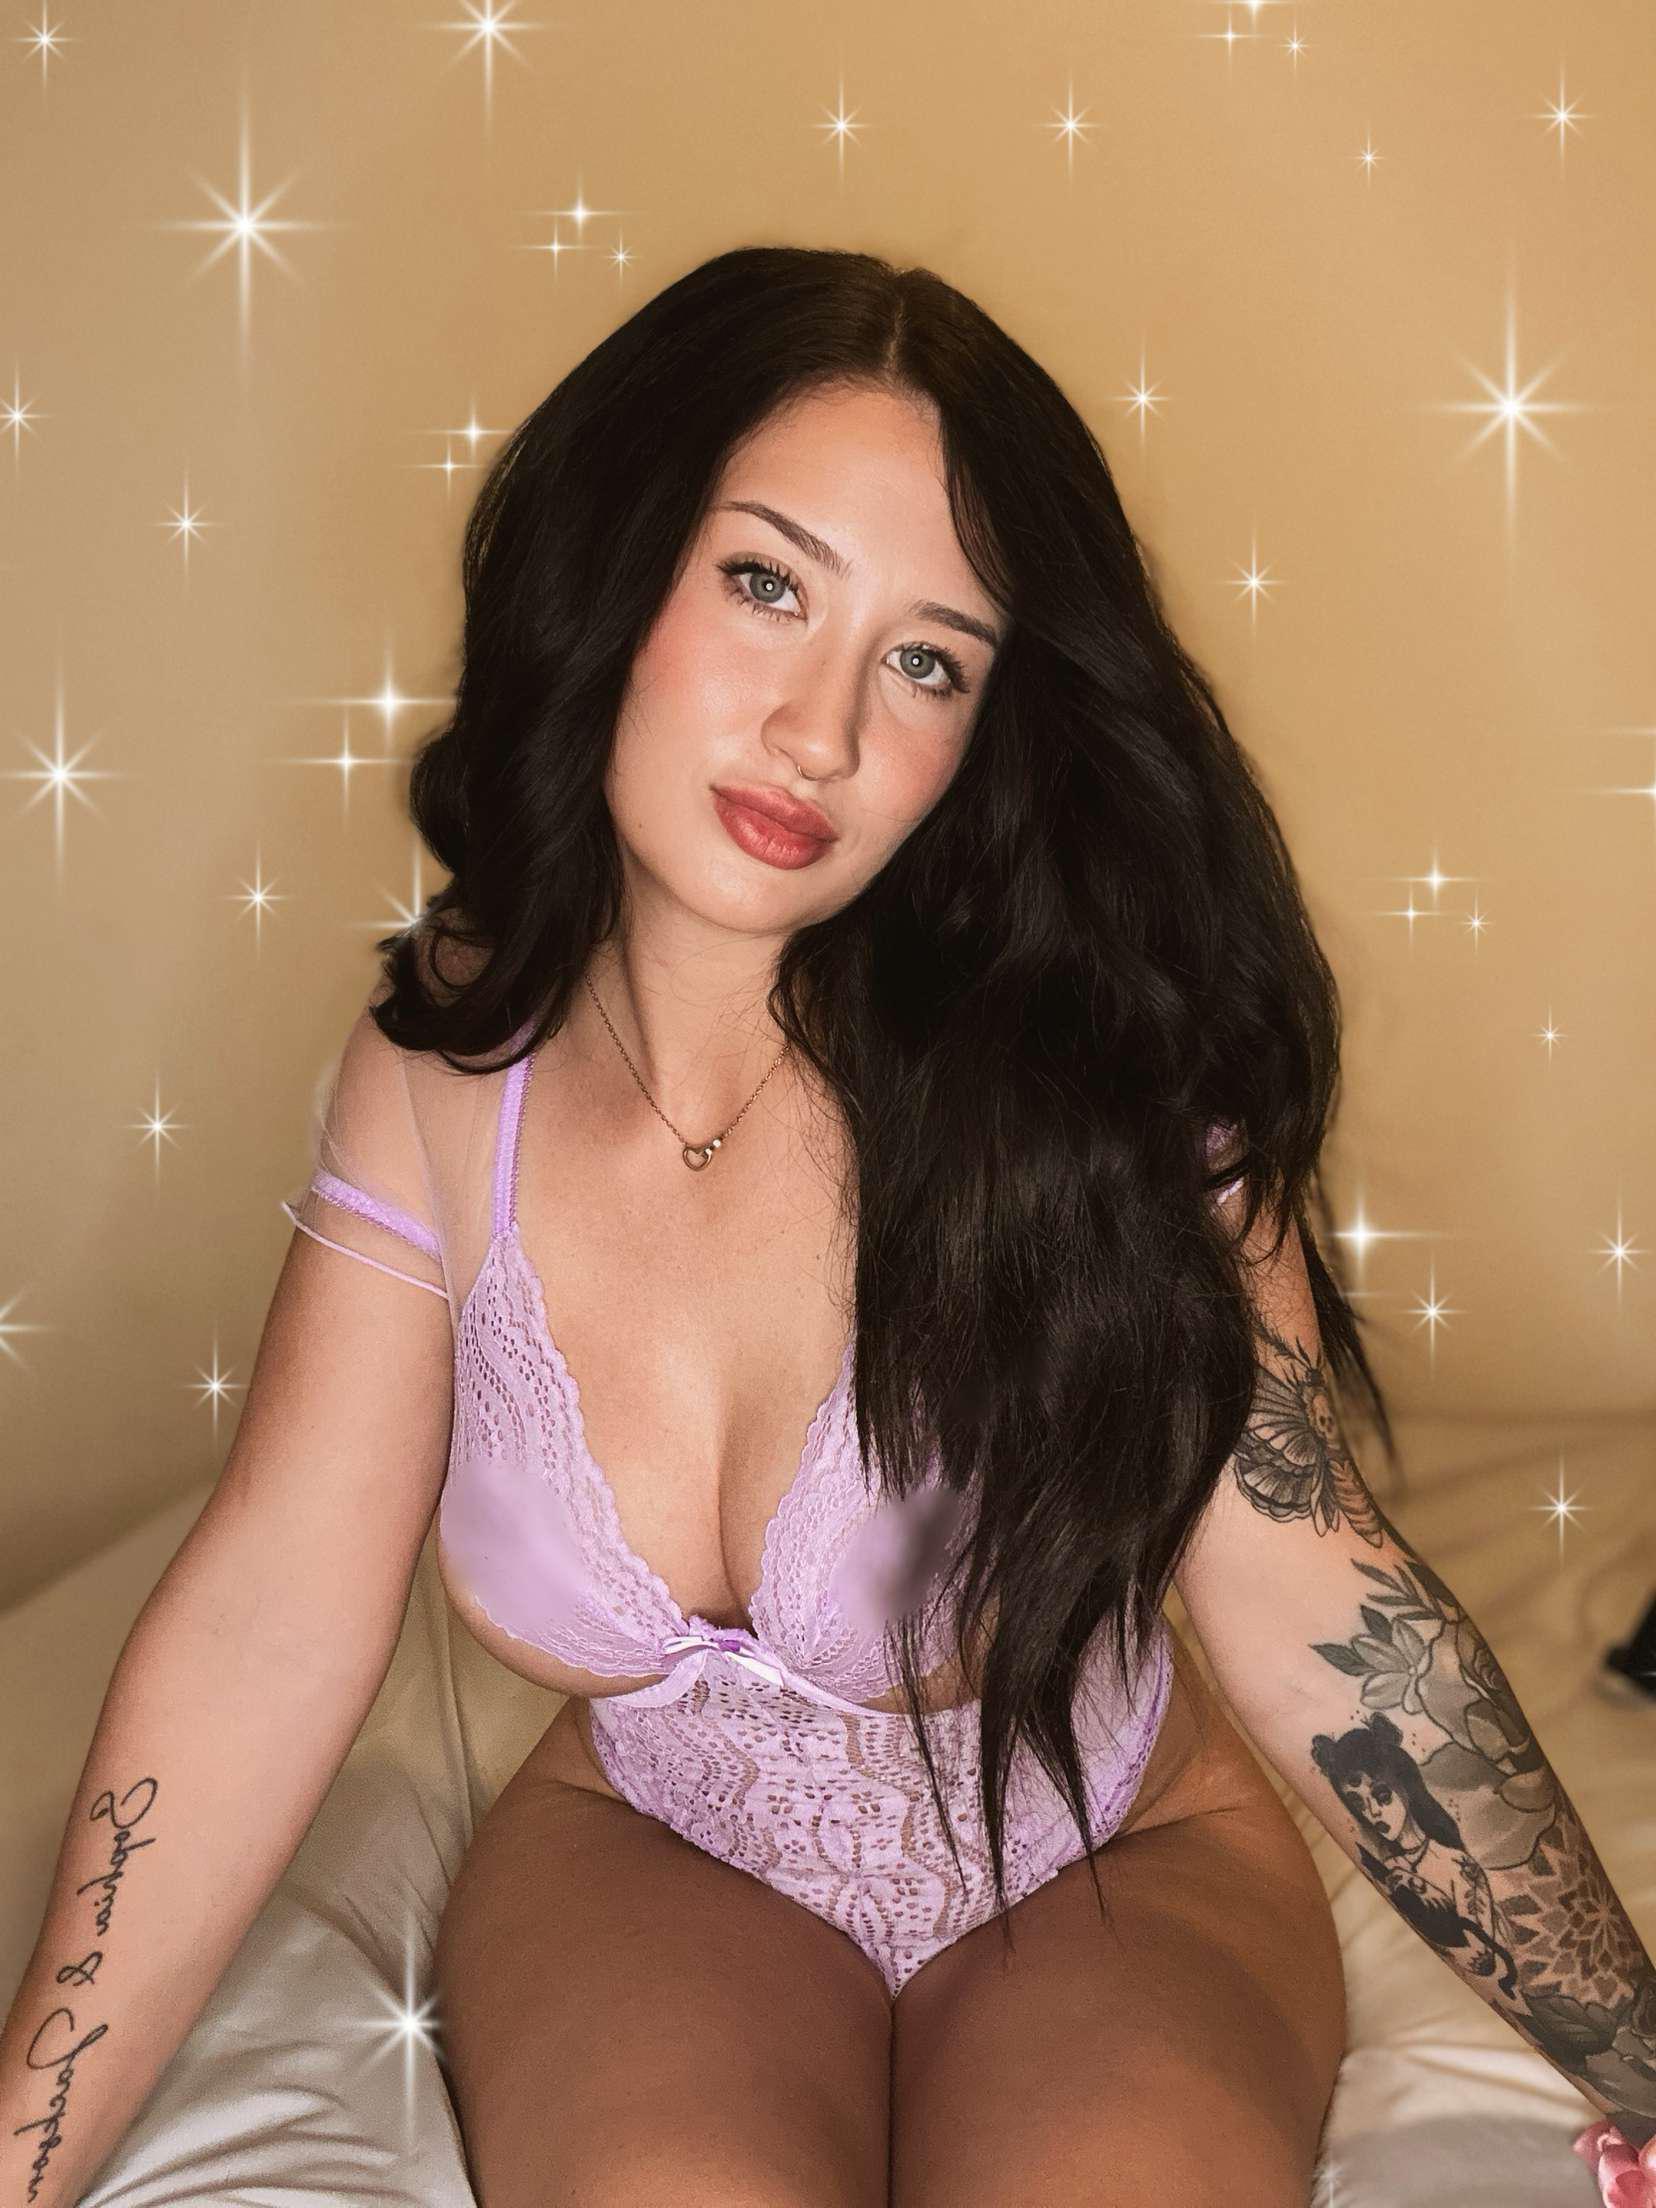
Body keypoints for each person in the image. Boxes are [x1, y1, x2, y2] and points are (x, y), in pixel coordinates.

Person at [4, 246, 1651, 2208]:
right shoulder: (444, 1069)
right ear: (619, 562)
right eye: (766, 582)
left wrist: (1640, 2054)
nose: (819, 732)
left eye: (928, 661)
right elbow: (269, 1619)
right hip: (656, 1859)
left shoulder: (1096, 1077)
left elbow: (1321, 1610)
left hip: (1107, 1867)